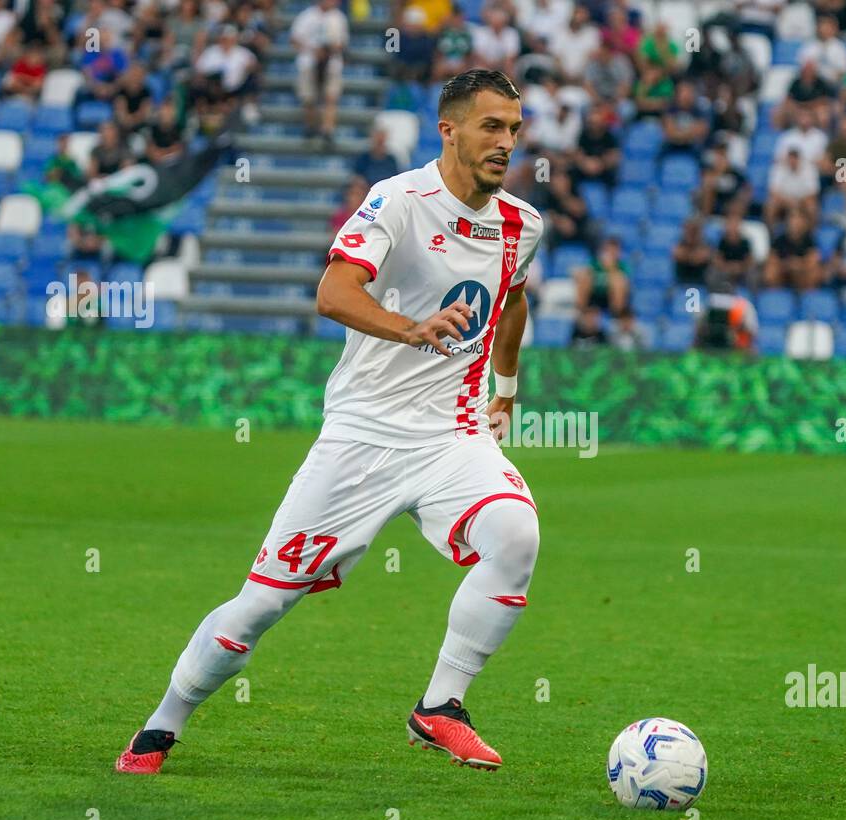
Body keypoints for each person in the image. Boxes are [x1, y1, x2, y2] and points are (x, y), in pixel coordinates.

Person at [116, 70, 545, 775]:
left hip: (450, 435)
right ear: (450, 129)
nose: (506, 142)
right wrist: (411, 329)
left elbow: (514, 300)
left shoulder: (520, 225)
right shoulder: (399, 201)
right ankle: (161, 725)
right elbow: (334, 291)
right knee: (256, 611)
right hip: (363, 435)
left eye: (515, 130)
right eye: (492, 127)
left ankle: (440, 706)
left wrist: (505, 390)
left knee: (516, 535)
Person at [290, 0, 349, 141]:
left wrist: (329, 49)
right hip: (308, 63)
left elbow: (343, 43)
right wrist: (313, 50)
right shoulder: (306, 16)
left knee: (331, 97)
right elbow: (294, 40)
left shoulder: (339, 17)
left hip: (331, 63)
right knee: (309, 98)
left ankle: (327, 129)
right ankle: (310, 127)